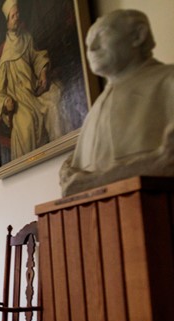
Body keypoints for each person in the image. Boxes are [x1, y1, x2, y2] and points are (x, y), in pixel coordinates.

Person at [60, 9, 174, 196]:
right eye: (88, 43)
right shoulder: (95, 110)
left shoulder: (169, 80)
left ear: (138, 35)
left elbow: (168, 161)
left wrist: (91, 182)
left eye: (102, 35)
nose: (91, 49)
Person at [0, 0, 64, 161]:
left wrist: (43, 72)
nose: (16, 18)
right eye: (13, 16)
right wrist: (6, 103)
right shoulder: (5, 57)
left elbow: (37, 57)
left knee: (55, 97)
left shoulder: (27, 38)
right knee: (26, 125)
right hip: (20, 100)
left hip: (35, 91)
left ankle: (61, 148)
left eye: (17, 14)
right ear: (7, 22)